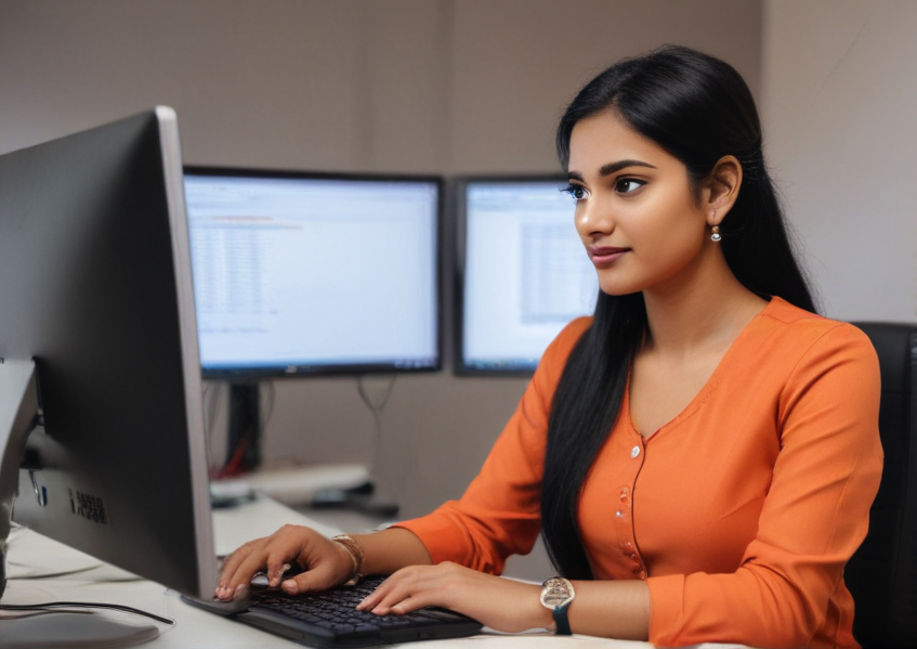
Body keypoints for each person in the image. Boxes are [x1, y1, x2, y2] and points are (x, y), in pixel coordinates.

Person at [215, 45, 883, 648]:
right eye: (578, 189)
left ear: (716, 191)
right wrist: (350, 552)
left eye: (625, 184)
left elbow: (783, 604)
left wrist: (541, 601)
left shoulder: (824, 360)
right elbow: (481, 524)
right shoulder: (579, 351)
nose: (588, 219)